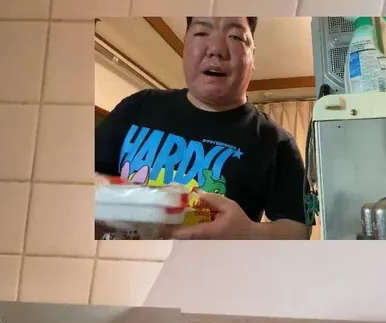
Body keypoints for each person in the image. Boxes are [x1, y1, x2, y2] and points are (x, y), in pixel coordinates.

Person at [95, 17, 310, 240]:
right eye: (201, 33)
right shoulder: (138, 105)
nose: (216, 49)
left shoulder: (276, 141)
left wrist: (249, 234)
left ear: (252, 55)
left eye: (235, 36)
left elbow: (299, 228)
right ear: (185, 45)